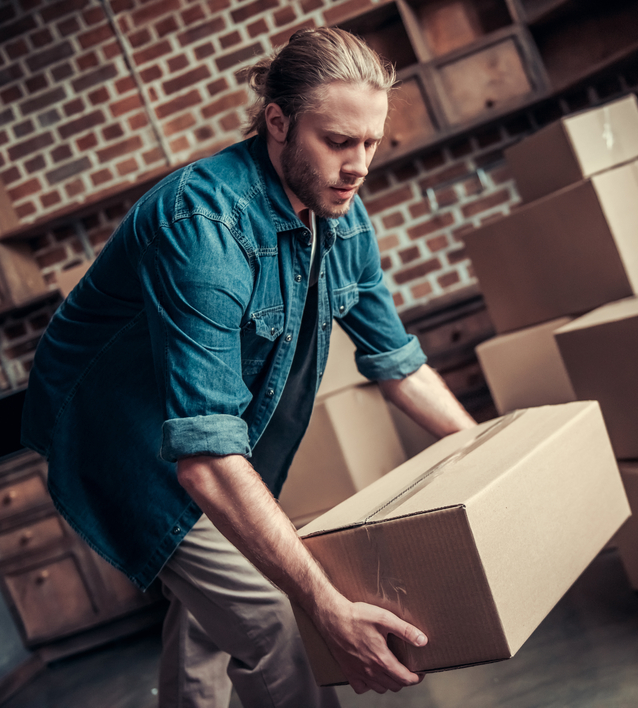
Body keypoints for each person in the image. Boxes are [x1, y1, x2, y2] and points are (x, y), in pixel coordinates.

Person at [21, 26, 477, 707]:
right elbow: (203, 460)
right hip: (118, 442)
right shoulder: (202, 226)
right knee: (279, 617)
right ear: (278, 121)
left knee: (215, 619)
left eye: (370, 143)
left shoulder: (342, 217)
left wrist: (490, 452)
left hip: (205, 442)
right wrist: (324, 603)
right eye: (337, 142)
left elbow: (398, 363)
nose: (358, 166)